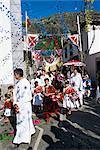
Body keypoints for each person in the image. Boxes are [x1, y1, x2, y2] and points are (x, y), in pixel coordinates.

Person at [13, 68, 35, 145]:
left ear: (18, 74)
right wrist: (15, 103)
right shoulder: (18, 83)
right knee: (24, 121)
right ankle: (29, 132)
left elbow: (25, 96)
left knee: (23, 122)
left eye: (15, 74)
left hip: (24, 105)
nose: (14, 76)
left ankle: (23, 138)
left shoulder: (25, 83)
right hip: (20, 104)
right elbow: (16, 94)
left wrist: (18, 105)